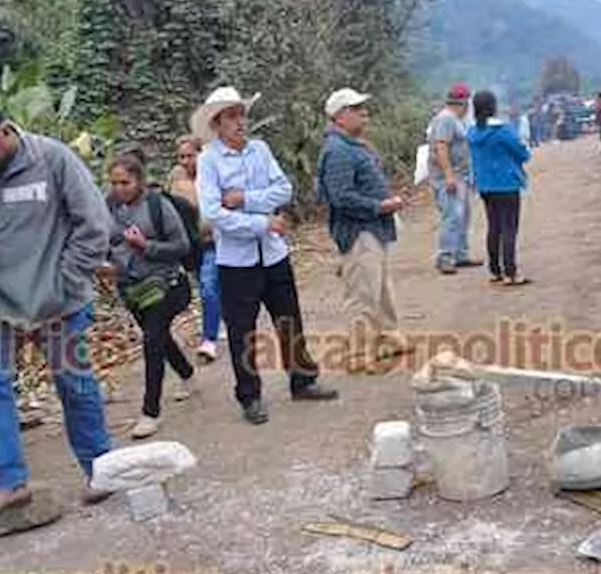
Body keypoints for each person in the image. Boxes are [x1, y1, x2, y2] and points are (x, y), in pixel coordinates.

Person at [0, 97, 114, 518]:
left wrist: (64, 284)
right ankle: (7, 482)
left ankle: (99, 468)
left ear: (5, 131)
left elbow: (94, 225)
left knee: (73, 382)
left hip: (56, 295)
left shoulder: (54, 159)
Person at [191, 86, 339, 425]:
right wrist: (263, 223)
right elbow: (214, 214)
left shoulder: (260, 150)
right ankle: (250, 396)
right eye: (231, 116)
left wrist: (243, 199)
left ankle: (302, 379)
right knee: (242, 331)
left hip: (273, 255)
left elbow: (283, 188)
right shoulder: (208, 159)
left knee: (289, 319)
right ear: (216, 123)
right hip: (236, 261)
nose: (240, 121)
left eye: (241, 114)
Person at [316, 88, 411, 374]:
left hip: (373, 227)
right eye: (356, 109)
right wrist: (379, 206)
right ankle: (358, 353)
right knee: (362, 294)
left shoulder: (353, 145)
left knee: (379, 287)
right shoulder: (338, 151)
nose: (364, 113)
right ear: (340, 116)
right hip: (358, 230)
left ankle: (387, 337)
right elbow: (340, 196)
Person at [104, 152, 195, 439]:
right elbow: (102, 241)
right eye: (114, 183)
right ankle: (187, 372)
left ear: (139, 181)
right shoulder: (108, 208)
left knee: (152, 340)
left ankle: (150, 411)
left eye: (125, 183)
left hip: (165, 283)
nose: (119, 188)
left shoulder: (158, 206)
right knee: (158, 337)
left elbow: (182, 246)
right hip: (130, 286)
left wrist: (146, 246)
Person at [167, 136, 223, 363]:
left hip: (215, 241)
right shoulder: (174, 177)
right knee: (205, 287)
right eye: (181, 157)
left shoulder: (214, 174)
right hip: (190, 246)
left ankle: (209, 341)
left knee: (209, 287)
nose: (185, 161)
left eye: (190, 156)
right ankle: (217, 320)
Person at [467, 89, 531, 287]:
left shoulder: (472, 132)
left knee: (494, 227)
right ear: (493, 107)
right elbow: (522, 153)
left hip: (485, 186)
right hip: (507, 184)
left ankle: (495, 271)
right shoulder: (503, 130)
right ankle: (511, 272)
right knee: (509, 227)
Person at [427, 82, 482, 275]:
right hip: (449, 177)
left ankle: (460, 254)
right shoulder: (446, 119)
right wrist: (449, 175)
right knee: (452, 216)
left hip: (461, 175)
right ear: (464, 102)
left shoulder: (456, 120)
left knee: (463, 216)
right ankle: (445, 256)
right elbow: (441, 146)